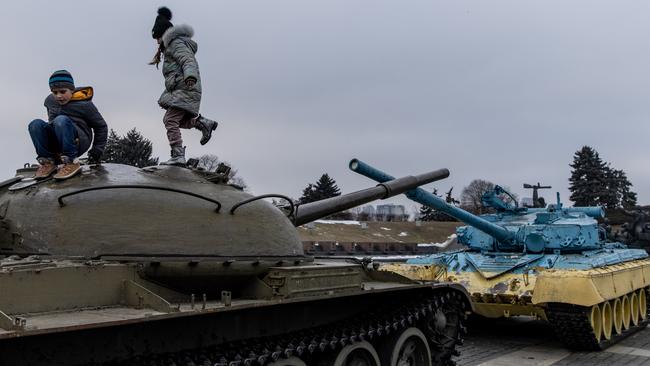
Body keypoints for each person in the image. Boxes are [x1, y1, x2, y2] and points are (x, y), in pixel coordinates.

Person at [150, 6, 218, 166]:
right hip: (181, 88)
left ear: (163, 34)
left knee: (169, 120)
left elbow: (188, 60)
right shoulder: (170, 47)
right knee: (178, 121)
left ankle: (178, 155)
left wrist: (190, 76)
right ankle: (202, 123)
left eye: (157, 37)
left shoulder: (176, 44)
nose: (157, 41)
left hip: (186, 87)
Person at [28, 70, 108, 180]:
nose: (59, 96)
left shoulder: (85, 104)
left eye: (62, 91)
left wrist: (97, 149)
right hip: (59, 135)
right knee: (35, 124)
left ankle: (71, 162)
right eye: (55, 93)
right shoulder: (50, 101)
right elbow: (52, 123)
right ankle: (48, 161)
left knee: (61, 120)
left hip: (79, 139)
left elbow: (101, 126)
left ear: (72, 90)